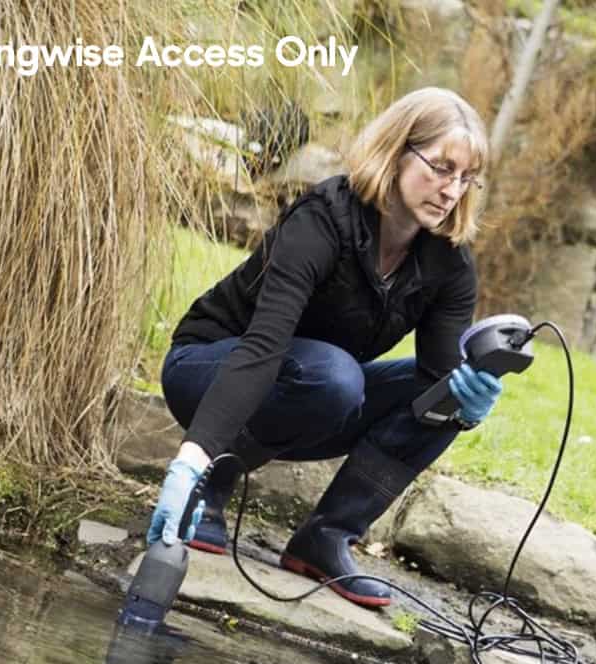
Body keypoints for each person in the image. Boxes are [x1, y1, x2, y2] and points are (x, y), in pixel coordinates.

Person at [146, 87, 505, 608]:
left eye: (466, 178)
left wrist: (468, 406)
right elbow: (264, 346)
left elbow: (435, 383)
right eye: (442, 168)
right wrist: (191, 463)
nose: (452, 190)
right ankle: (212, 484)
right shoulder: (324, 219)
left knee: (441, 394)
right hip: (210, 368)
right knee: (334, 377)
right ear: (398, 151)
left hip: (318, 394)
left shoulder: (448, 264)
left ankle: (327, 537)